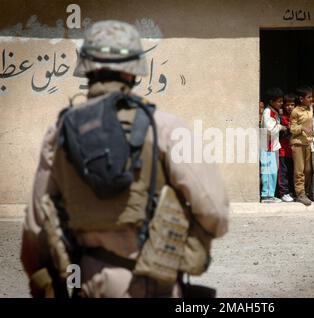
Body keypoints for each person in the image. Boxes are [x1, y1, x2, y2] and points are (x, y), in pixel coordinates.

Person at [20, 20, 229, 298]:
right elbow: (215, 211)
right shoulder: (165, 127)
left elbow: (35, 229)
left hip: (87, 283)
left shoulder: (58, 132)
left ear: (87, 69)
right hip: (154, 286)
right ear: (134, 72)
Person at [260, 87, 286, 203]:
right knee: (268, 171)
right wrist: (281, 127)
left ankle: (270, 194)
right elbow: (270, 130)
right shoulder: (267, 112)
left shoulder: (273, 111)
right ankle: (266, 196)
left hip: (273, 145)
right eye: (279, 101)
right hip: (268, 145)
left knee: (273, 171)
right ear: (271, 101)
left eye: (281, 101)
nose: (281, 104)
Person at [290, 86, 314, 206]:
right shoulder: (296, 111)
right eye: (308, 97)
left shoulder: (311, 108)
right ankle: (300, 194)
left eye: (311, 97)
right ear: (301, 98)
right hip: (298, 144)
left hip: (309, 143)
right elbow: (292, 128)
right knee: (299, 171)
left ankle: (308, 192)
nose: (311, 99)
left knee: (308, 170)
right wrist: (303, 128)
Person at [277, 94, 296, 202]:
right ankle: (283, 193)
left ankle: (290, 192)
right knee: (283, 172)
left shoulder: (296, 117)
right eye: (287, 105)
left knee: (291, 171)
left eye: (292, 105)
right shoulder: (281, 118)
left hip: (293, 151)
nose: (289, 107)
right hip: (283, 150)